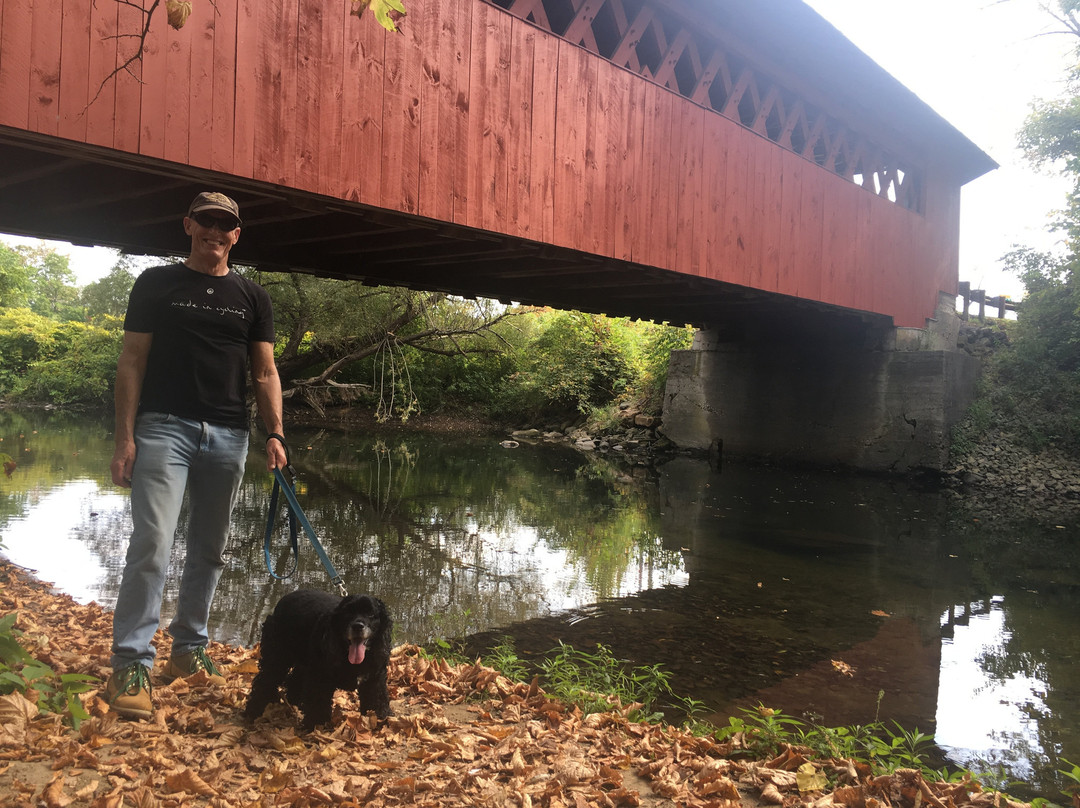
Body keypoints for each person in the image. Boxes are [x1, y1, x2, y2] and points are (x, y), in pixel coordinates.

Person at [105, 191, 289, 719]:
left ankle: (189, 651)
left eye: (224, 224)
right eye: (205, 220)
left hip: (230, 434)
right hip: (164, 428)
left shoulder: (253, 296)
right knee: (153, 543)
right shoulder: (156, 283)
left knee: (210, 548)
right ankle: (131, 663)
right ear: (188, 225)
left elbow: (265, 372)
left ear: (237, 234)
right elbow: (131, 362)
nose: (214, 230)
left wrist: (275, 434)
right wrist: (125, 438)